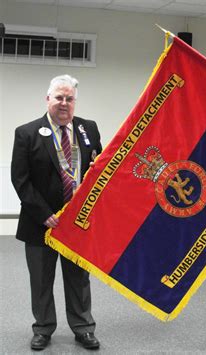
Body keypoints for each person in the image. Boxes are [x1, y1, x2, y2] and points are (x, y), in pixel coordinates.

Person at [11, 74, 102, 351]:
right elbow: (20, 179)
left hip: (77, 223)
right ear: (47, 99)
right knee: (41, 280)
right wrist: (44, 214)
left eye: (69, 98)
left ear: (75, 102)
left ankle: (83, 328)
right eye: (59, 97)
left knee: (79, 279)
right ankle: (43, 328)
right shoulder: (27, 132)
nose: (64, 103)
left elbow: (98, 170)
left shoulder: (89, 129)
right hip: (41, 223)